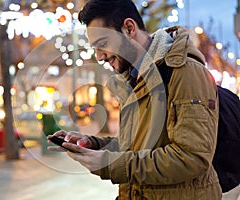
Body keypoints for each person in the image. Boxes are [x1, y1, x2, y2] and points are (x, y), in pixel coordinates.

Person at [48, 0, 222, 199]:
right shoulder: (133, 79)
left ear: (129, 28)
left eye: (102, 45)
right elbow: (135, 147)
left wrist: (109, 164)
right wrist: (93, 144)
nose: (99, 57)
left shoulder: (184, 72)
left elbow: (191, 158)